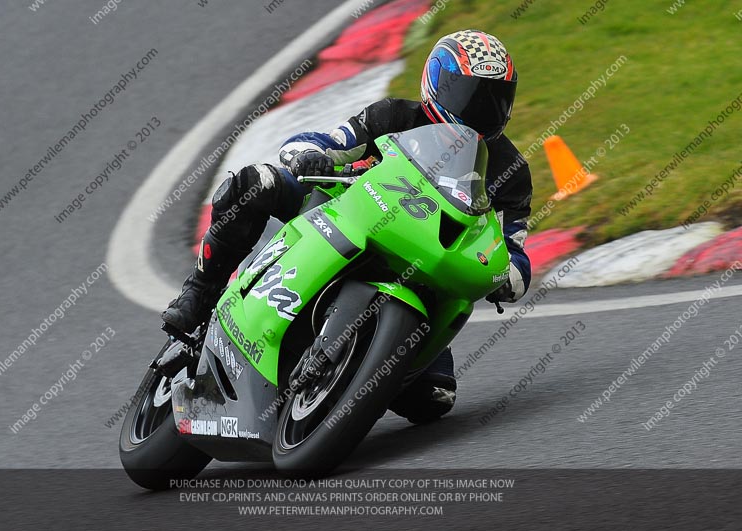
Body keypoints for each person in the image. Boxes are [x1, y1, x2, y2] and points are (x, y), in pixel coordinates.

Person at [162, 30, 532, 424]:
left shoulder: (511, 172)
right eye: (469, 93)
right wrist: (310, 155)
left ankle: (361, 371)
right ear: (437, 82)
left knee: (434, 399)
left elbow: (515, 248)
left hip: (427, 268)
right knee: (255, 184)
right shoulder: (393, 116)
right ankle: (199, 293)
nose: (480, 108)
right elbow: (329, 140)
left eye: (493, 98)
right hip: (345, 210)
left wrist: (505, 274)